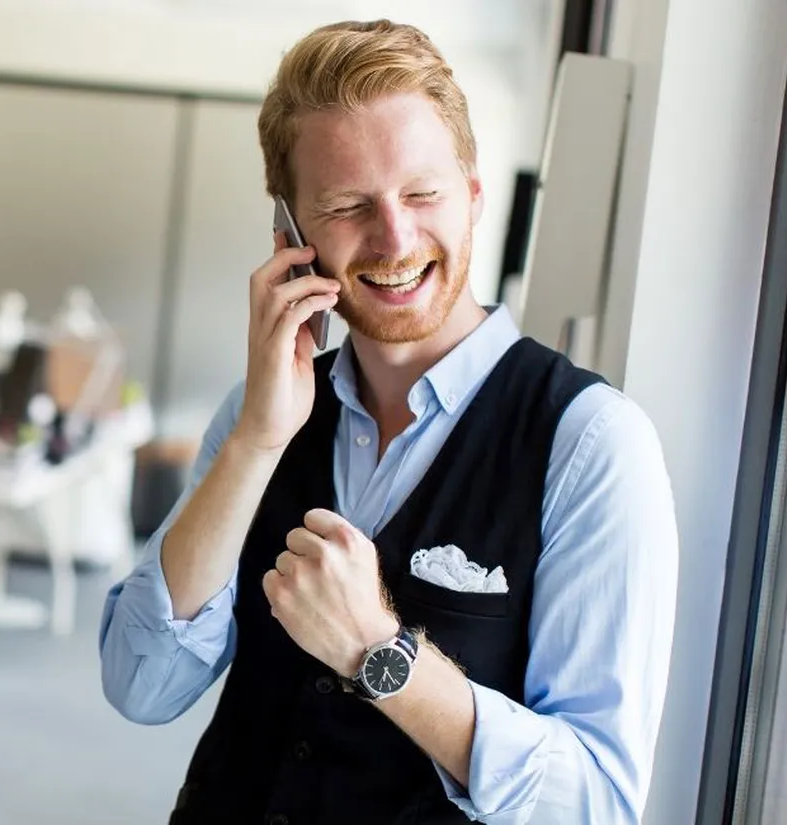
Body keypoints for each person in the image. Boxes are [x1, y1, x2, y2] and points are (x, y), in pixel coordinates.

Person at [98, 20, 679, 825]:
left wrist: (382, 653)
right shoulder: (257, 417)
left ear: (474, 196)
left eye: (423, 193)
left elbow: (593, 804)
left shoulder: (591, 446)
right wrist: (257, 442)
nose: (397, 238)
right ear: (293, 237)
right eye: (347, 205)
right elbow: (141, 684)